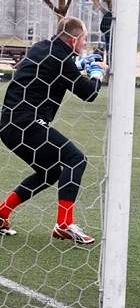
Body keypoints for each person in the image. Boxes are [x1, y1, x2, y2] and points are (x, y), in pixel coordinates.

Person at [0, 17, 108, 244]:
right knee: (75, 159)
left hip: (10, 124)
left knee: (49, 172)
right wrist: (97, 73)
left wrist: (79, 64)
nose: (85, 43)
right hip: (27, 123)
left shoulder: (42, 47)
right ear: (73, 39)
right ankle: (64, 224)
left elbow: (46, 69)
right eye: (84, 39)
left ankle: (1, 214)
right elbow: (88, 93)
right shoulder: (61, 59)